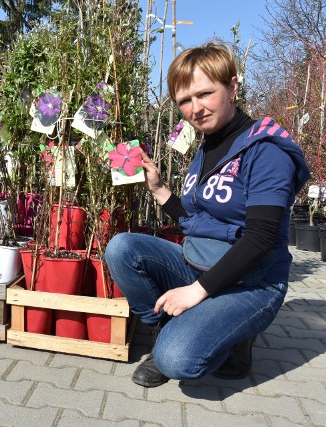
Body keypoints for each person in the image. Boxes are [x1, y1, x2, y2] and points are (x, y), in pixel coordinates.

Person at [104, 42, 310, 387]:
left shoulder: (266, 151)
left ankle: (236, 334)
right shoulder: (208, 146)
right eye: (185, 100)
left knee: (177, 359)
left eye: (205, 94)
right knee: (122, 248)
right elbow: (196, 218)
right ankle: (168, 328)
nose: (195, 109)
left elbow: (260, 238)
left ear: (232, 87)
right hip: (200, 262)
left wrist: (196, 291)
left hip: (253, 282)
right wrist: (158, 190)